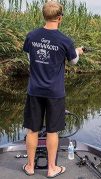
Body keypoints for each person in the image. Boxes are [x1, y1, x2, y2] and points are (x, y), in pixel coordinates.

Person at [22, 1, 83, 178]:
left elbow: (29, 56)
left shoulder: (32, 36)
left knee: (32, 129)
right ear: (59, 18)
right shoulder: (65, 40)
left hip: (34, 91)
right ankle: (51, 169)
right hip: (55, 93)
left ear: (44, 15)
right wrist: (78, 51)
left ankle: (30, 166)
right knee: (52, 131)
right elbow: (73, 61)